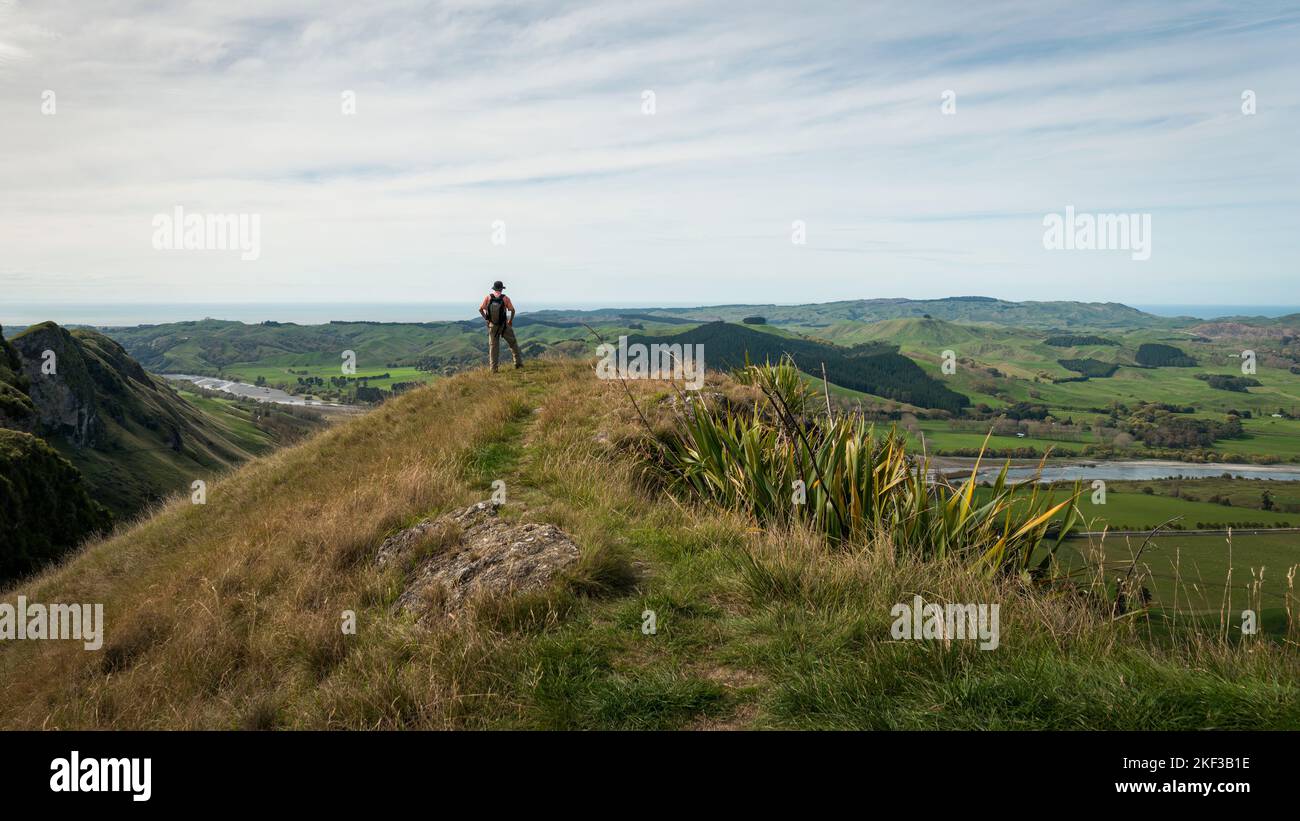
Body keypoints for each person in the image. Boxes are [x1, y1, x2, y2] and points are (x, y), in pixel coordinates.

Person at [479, 280, 522, 372]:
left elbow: (480, 309)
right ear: (501, 289)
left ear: (494, 288)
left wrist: (487, 319)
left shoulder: (488, 298)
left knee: (493, 347)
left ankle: (493, 369)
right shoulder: (505, 298)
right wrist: (510, 320)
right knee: (513, 343)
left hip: (492, 326)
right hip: (504, 325)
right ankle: (518, 363)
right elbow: (512, 310)